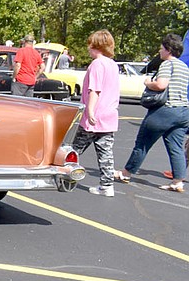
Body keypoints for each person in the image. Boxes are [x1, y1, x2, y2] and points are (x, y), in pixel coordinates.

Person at [115, 32, 189, 192]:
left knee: (142, 143)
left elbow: (161, 85)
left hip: (165, 111)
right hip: (183, 111)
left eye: (161, 48)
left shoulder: (167, 64)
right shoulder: (184, 67)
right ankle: (178, 181)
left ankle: (126, 173)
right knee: (175, 147)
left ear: (168, 50)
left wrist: (149, 82)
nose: (159, 51)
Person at [73, 30, 120, 197]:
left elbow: (95, 90)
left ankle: (62, 175)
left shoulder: (97, 65)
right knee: (105, 152)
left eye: (90, 45)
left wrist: (90, 110)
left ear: (95, 46)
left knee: (74, 148)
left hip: (94, 116)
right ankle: (107, 185)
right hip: (109, 115)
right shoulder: (113, 64)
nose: (88, 48)